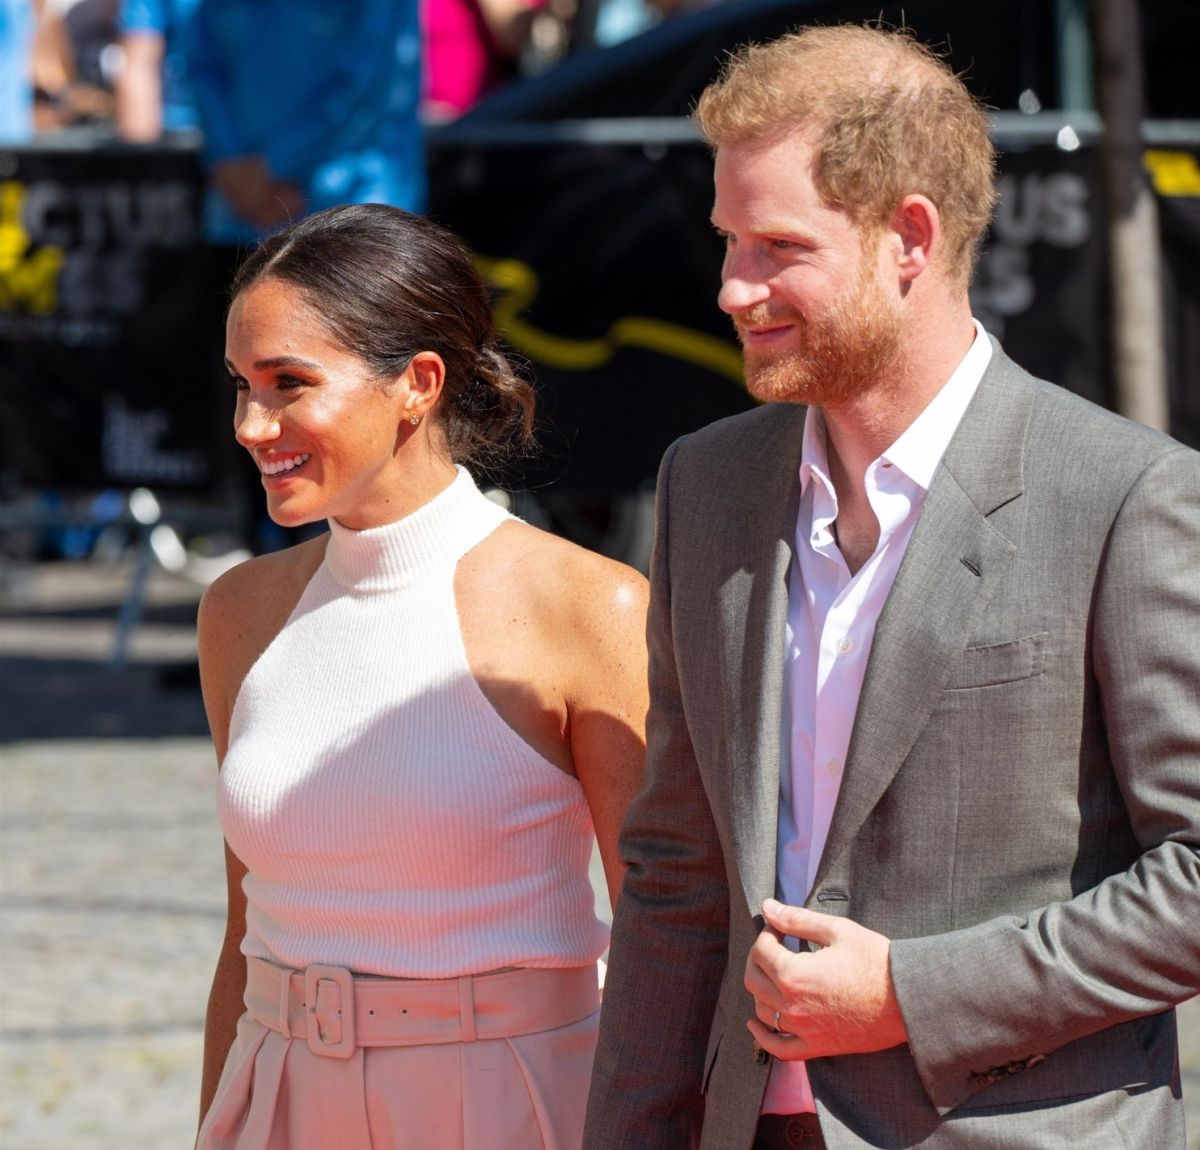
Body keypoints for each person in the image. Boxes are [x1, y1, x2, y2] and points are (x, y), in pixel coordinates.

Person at [584, 24, 1200, 1150]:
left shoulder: (1125, 496)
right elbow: (677, 875)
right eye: (728, 241)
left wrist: (912, 993)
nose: (731, 288)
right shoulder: (706, 485)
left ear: (909, 238)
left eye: (778, 246)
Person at [195, 203, 649, 1149]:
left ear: (418, 384)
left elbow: (667, 937)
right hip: (277, 1094)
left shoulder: (588, 607)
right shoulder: (241, 612)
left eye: (288, 384)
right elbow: (246, 929)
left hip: (510, 1103)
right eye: (241, 385)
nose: (249, 424)